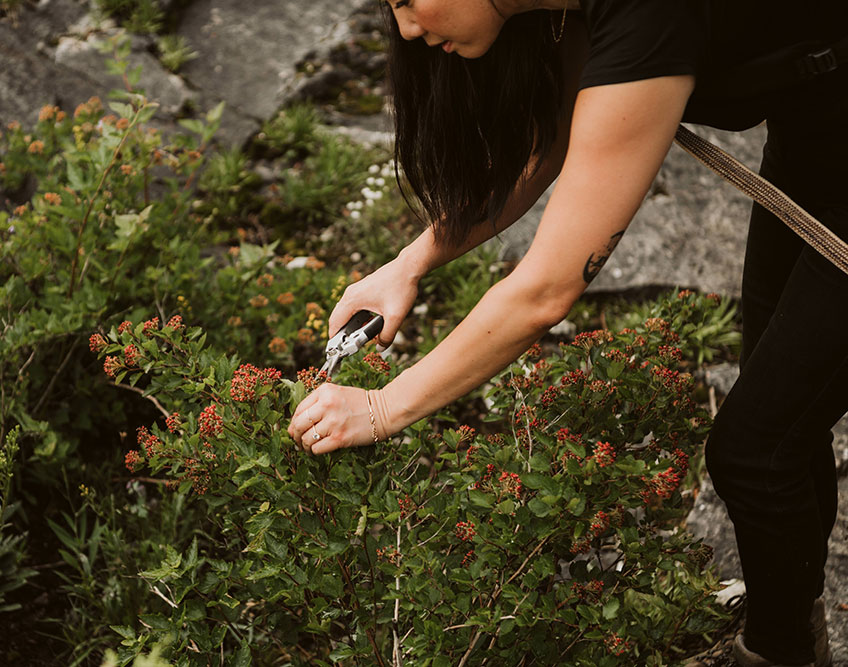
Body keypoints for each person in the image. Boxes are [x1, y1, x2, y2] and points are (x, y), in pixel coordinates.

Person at [287, 1, 848, 664]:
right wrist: (410, 264)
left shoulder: (646, 14)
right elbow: (557, 139)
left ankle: (777, 653)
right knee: (780, 402)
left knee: (755, 450)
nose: (406, 27)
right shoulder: (563, 8)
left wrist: (382, 406)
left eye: (409, 0)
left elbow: (546, 291)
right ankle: (790, 617)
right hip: (821, 126)